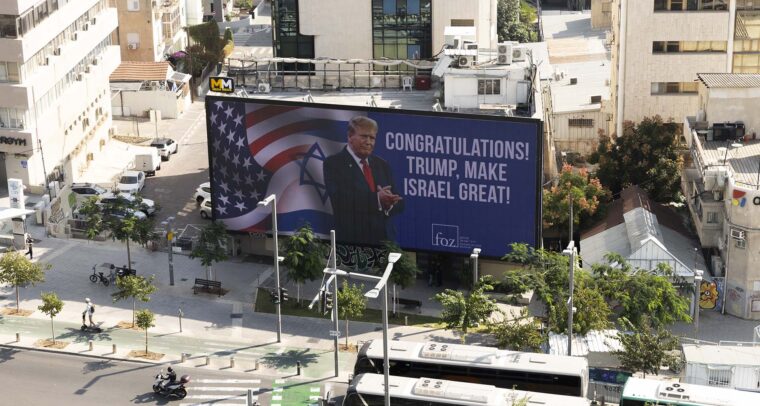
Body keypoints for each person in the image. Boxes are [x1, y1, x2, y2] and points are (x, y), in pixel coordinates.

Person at [323, 116, 404, 246]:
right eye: (364, 136)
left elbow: (400, 202)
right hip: (353, 244)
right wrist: (378, 199)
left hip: (385, 243)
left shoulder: (382, 165)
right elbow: (341, 200)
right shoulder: (334, 164)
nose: (368, 142)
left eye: (372, 138)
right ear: (350, 136)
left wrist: (389, 203)